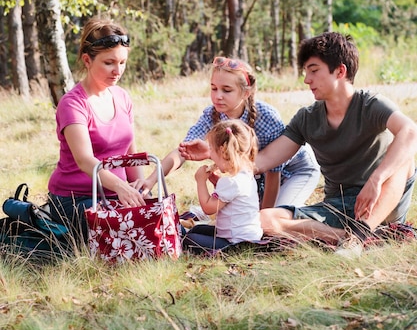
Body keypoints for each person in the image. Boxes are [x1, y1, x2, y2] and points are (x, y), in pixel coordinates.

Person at [180, 32, 417, 257]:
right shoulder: (307, 118)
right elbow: (262, 162)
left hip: (383, 200)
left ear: (340, 71)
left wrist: (376, 180)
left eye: (313, 71)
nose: (306, 80)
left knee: (405, 159)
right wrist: (216, 152)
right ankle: (353, 238)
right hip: (338, 206)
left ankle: (361, 235)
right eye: (305, 72)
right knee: (263, 220)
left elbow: (410, 131)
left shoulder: (370, 104)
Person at [140, 56, 320, 209]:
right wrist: (150, 180)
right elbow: (182, 152)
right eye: (213, 88)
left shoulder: (266, 117)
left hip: (296, 171)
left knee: (276, 221)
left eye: (226, 90)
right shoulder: (212, 115)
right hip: (257, 176)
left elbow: (274, 173)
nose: (218, 96)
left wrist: (262, 222)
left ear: (245, 93)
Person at [48, 16, 146, 243]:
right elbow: (85, 160)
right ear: (87, 60)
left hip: (117, 195)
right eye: (109, 62)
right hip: (75, 199)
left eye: (122, 62)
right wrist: (122, 187)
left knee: (154, 219)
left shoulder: (122, 97)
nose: (117, 70)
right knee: (129, 232)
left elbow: (130, 153)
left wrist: (140, 189)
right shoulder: (72, 104)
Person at [182, 119, 263, 253]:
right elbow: (228, 200)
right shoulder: (246, 175)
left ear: (222, 151)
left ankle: (229, 252)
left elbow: (209, 208)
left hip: (236, 242)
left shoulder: (230, 182)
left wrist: (200, 181)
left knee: (189, 239)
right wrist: (216, 183)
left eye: (211, 150)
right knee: (197, 230)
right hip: (248, 236)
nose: (210, 156)